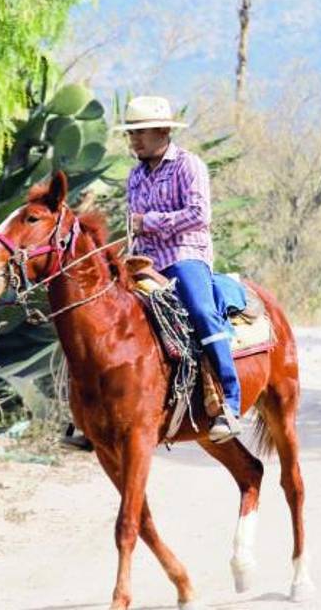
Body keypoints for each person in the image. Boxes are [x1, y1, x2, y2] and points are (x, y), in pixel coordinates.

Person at [116, 95, 242, 443]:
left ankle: (230, 402)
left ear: (163, 131)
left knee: (201, 311)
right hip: (144, 260)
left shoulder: (189, 165)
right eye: (131, 133)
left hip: (184, 255)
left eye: (140, 132)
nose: (134, 140)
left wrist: (148, 222)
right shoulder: (135, 176)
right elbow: (133, 226)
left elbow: (200, 215)